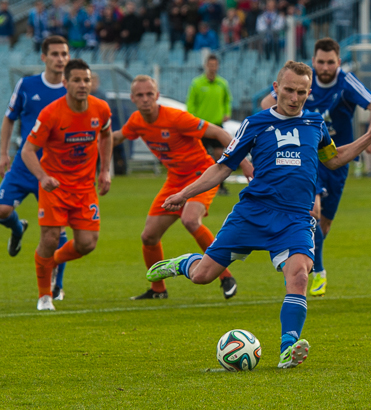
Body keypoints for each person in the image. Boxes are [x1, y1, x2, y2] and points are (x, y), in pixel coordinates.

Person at [146, 61, 371, 368]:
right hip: (253, 214)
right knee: (203, 276)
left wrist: (369, 137)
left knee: (299, 275)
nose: (294, 97)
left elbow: (334, 158)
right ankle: (182, 263)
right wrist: (184, 194)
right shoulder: (255, 123)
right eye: (288, 90)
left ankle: (288, 347)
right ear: (276, 88)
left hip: (296, 218)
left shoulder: (315, 124)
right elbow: (223, 166)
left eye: (301, 92)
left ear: (309, 93)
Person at [261, 38, 371, 297]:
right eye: (320, 61)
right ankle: (313, 271)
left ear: (338, 62)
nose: (325, 67)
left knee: (324, 224)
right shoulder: (302, 81)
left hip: (337, 159)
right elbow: (266, 103)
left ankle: (302, 264)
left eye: (330, 62)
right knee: (312, 212)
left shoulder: (346, 82)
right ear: (313, 61)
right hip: (306, 157)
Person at [113, 75, 252, 300]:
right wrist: (92, 140)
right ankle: (158, 290)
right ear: (132, 99)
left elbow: (217, 132)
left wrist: (244, 163)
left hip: (201, 175)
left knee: (190, 219)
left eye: (150, 94)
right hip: (175, 179)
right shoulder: (137, 121)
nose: (145, 99)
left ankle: (225, 276)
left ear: (157, 96)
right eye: (140, 95)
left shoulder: (176, 118)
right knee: (148, 236)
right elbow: (117, 136)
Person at [21, 58, 113, 311]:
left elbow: (106, 134)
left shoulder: (101, 109)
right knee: (49, 239)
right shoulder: (51, 113)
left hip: (85, 189)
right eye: (76, 80)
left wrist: (104, 170)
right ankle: (44, 296)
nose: (82, 85)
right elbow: (28, 151)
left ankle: (52, 262)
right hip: (55, 187)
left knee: (87, 244)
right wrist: (42, 177)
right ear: (65, 83)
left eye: (86, 80)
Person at [0, 36, 70, 301]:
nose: (60, 59)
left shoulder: (71, 90)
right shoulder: (27, 85)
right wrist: (2, 153)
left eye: (64, 54)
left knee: (56, 232)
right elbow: (9, 119)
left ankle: (57, 285)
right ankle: (18, 230)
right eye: (54, 54)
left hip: (54, 169)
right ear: (44, 57)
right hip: (23, 163)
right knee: (2, 210)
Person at [186, 54, 232, 196]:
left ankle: (220, 186)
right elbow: (191, 103)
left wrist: (227, 112)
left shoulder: (222, 83)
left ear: (217, 66)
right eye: (210, 65)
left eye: (215, 65)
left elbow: (227, 100)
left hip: (217, 126)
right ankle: (198, 187)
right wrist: (192, 118)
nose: (212, 68)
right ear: (206, 66)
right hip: (201, 126)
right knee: (200, 157)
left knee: (220, 155)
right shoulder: (197, 83)